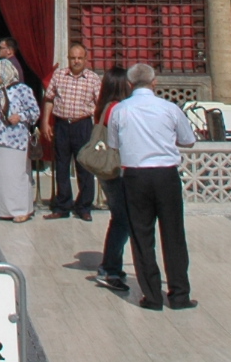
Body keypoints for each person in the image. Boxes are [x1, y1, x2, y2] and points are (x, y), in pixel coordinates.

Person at [110, 61, 198, 310]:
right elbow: (188, 140)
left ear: (129, 84)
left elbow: (113, 144)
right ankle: (179, 294)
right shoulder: (168, 108)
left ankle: (152, 296)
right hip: (165, 175)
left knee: (142, 236)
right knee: (173, 235)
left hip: (136, 177)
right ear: (154, 82)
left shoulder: (120, 110)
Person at [88, 65, 135, 294]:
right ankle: (110, 269)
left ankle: (112, 265)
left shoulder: (104, 107)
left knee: (119, 217)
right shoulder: (116, 109)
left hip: (108, 170)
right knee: (122, 219)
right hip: (115, 170)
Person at [44, 41, 103, 221]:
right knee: (61, 166)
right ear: (68, 59)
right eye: (73, 58)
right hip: (62, 125)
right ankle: (63, 205)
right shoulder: (59, 76)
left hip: (83, 125)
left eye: (80, 58)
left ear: (86, 59)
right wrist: (45, 122)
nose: (76, 61)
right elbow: (49, 99)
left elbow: (100, 105)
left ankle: (84, 206)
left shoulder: (93, 79)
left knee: (84, 167)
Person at [0, 58, 41, 221]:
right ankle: (4, 210)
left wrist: (20, 116)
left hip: (16, 141)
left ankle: (21, 210)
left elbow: (35, 112)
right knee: (0, 177)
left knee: (17, 176)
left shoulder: (23, 90)